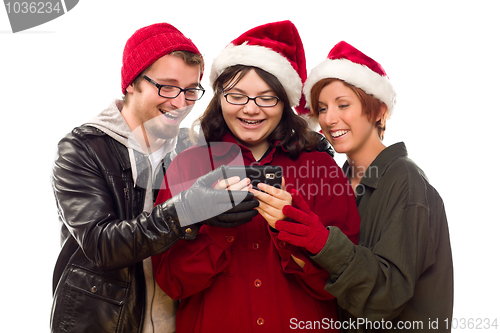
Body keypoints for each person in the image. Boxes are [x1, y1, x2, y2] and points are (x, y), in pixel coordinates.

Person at [151, 21, 360, 333]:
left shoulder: (321, 168)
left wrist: (298, 231)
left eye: (266, 97)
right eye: (236, 96)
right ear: (219, 97)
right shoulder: (188, 166)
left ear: (285, 101)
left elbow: (349, 287)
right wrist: (218, 227)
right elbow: (172, 282)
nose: (250, 110)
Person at [51, 23, 258, 333]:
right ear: (132, 83)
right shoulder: (81, 148)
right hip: (100, 324)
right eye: (167, 86)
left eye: (190, 90)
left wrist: (303, 141)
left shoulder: (190, 147)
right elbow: (101, 244)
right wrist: (187, 210)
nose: (180, 102)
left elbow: (252, 135)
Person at [276, 41, 454, 332]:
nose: (329, 119)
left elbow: (387, 295)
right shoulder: (338, 180)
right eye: (322, 108)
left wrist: (323, 243)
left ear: (377, 110)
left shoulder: (406, 183)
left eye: (343, 105)